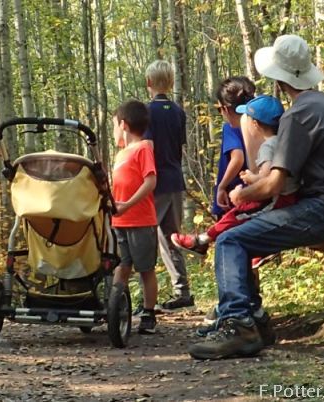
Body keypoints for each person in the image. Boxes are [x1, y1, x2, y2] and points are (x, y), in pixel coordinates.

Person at [188, 34, 324, 360]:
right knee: (241, 237)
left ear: (279, 79)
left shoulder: (299, 115)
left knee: (231, 241)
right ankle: (253, 320)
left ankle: (239, 325)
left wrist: (241, 194)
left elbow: (273, 185)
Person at [170, 95, 298, 257]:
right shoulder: (284, 141)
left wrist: (251, 179)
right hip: (288, 195)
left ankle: (201, 241)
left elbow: (267, 179)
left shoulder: (268, 146)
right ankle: (203, 239)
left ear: (255, 124)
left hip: (280, 199)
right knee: (241, 214)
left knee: (238, 214)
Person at [143, 60, 193, 311]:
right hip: (175, 179)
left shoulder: (146, 113)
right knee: (171, 236)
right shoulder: (178, 112)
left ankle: (147, 298)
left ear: (148, 82)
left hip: (154, 181)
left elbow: (147, 148)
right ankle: (182, 290)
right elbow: (179, 147)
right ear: (171, 82)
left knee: (145, 236)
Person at [111, 100, 159, 334]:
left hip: (140, 220)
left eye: (114, 126)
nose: (114, 131)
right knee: (121, 265)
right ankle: (116, 307)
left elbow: (150, 181)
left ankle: (149, 313)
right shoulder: (120, 154)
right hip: (119, 221)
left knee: (145, 268)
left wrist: (128, 204)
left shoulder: (143, 149)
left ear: (124, 125)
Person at [211, 76, 255, 220]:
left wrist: (222, 186)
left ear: (225, 109)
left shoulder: (230, 128)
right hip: (255, 195)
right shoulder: (259, 126)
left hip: (233, 198)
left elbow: (237, 158)